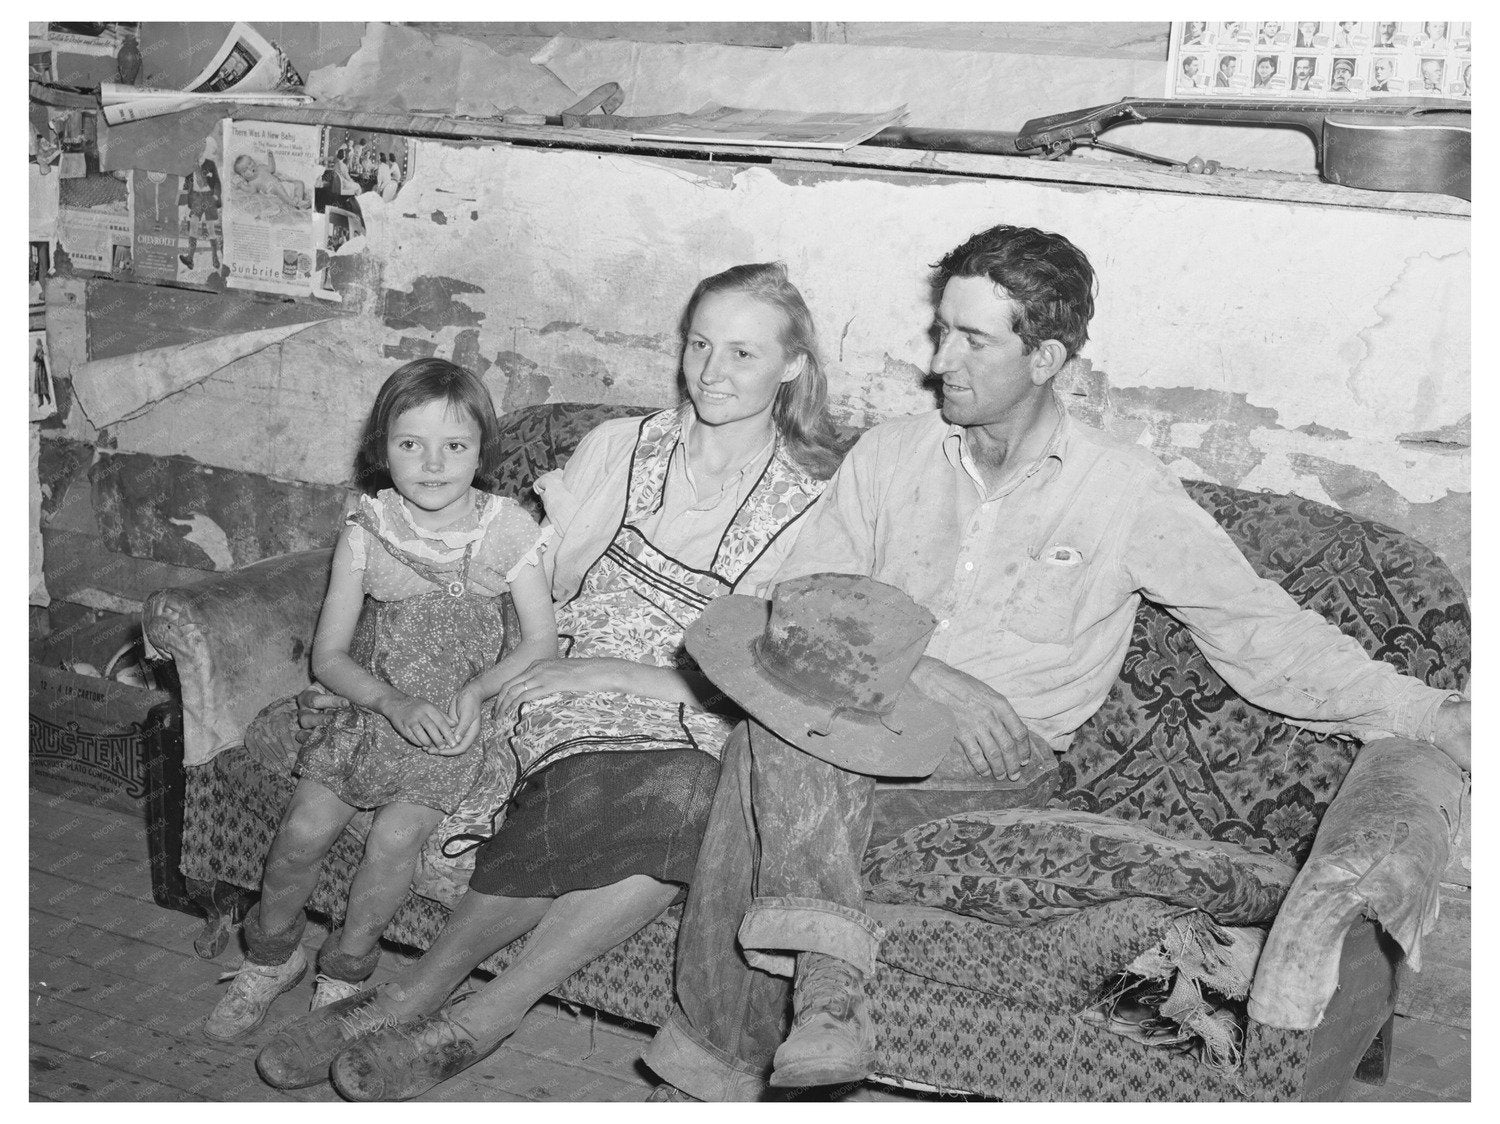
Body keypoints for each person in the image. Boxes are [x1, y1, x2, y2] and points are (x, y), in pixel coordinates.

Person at [635, 224, 1471, 1100]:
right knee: (776, 743)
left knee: (764, 754)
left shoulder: (1121, 490)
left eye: (973, 340)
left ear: (1045, 358)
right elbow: (804, 600)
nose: (940, 361)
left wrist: (1428, 713)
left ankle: (710, 1077)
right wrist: (923, 669)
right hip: (858, 716)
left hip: (994, 760)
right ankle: (829, 1002)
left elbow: (1259, 628)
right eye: (941, 332)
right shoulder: (889, 456)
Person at [254, 262, 849, 1099]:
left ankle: (451, 1006)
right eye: (699, 345)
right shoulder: (621, 447)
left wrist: (621, 673)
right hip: (560, 681)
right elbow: (529, 587)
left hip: (697, 703)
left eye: (743, 354)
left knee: (689, 794)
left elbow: (777, 675)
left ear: (792, 365)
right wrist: (446, 664)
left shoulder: (817, 500)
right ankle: (447, 1010)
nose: (712, 372)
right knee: (653, 797)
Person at [204, 358, 559, 1041]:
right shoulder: (367, 529)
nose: (433, 464)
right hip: (372, 708)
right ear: (382, 448)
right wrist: (392, 704)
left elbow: (541, 641)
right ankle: (271, 956)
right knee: (303, 832)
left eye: (454, 445)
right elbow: (329, 657)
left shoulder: (509, 529)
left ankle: (346, 970)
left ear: (482, 451)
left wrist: (476, 692)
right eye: (410, 444)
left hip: (454, 722)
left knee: (394, 841)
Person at [233, 152, 311, 209]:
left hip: (283, 185)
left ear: (253, 161)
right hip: (275, 193)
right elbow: (251, 191)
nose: (250, 167)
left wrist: (271, 158)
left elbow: (272, 169)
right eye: (245, 170)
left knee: (299, 183)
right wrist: (241, 186)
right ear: (243, 176)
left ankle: (298, 199)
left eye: (250, 163)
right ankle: (292, 203)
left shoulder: (261, 167)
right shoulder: (252, 182)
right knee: (277, 186)